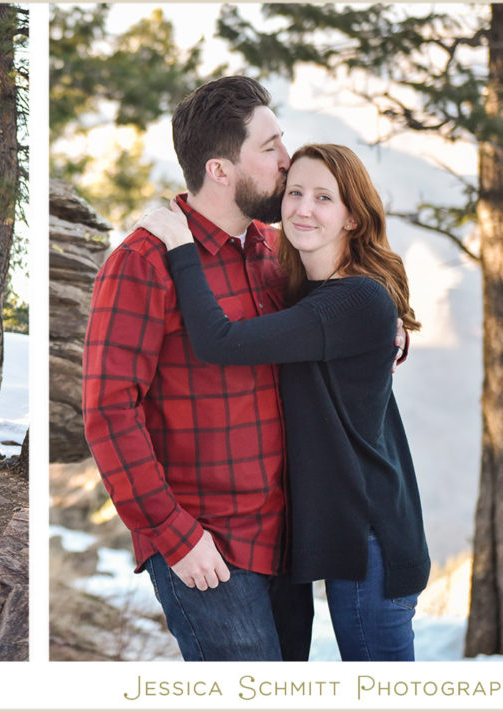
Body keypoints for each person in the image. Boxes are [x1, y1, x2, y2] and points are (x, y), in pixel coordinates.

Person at [138, 142, 429, 661]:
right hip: (346, 535)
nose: (302, 208)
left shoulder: (354, 299)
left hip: (373, 539)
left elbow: (219, 341)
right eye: (294, 192)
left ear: (353, 219)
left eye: (324, 198)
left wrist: (181, 243)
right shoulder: (311, 293)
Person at [82, 76, 316, 661]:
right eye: (270, 148)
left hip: (288, 542)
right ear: (220, 169)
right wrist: (174, 536)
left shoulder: (273, 249)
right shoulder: (142, 262)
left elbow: (336, 318)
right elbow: (109, 412)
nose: (288, 160)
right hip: (208, 551)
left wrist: (389, 328)